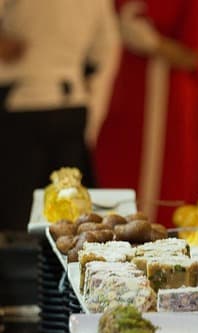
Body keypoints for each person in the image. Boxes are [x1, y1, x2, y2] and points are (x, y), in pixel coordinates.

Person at [94, 0, 198, 222]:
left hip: (165, 99)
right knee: (114, 172)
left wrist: (153, 43)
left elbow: (194, 57)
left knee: (165, 184)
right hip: (126, 93)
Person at [0, 0, 120, 231]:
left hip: (22, 106)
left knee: (19, 215)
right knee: (69, 216)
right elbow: (106, 46)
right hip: (70, 103)